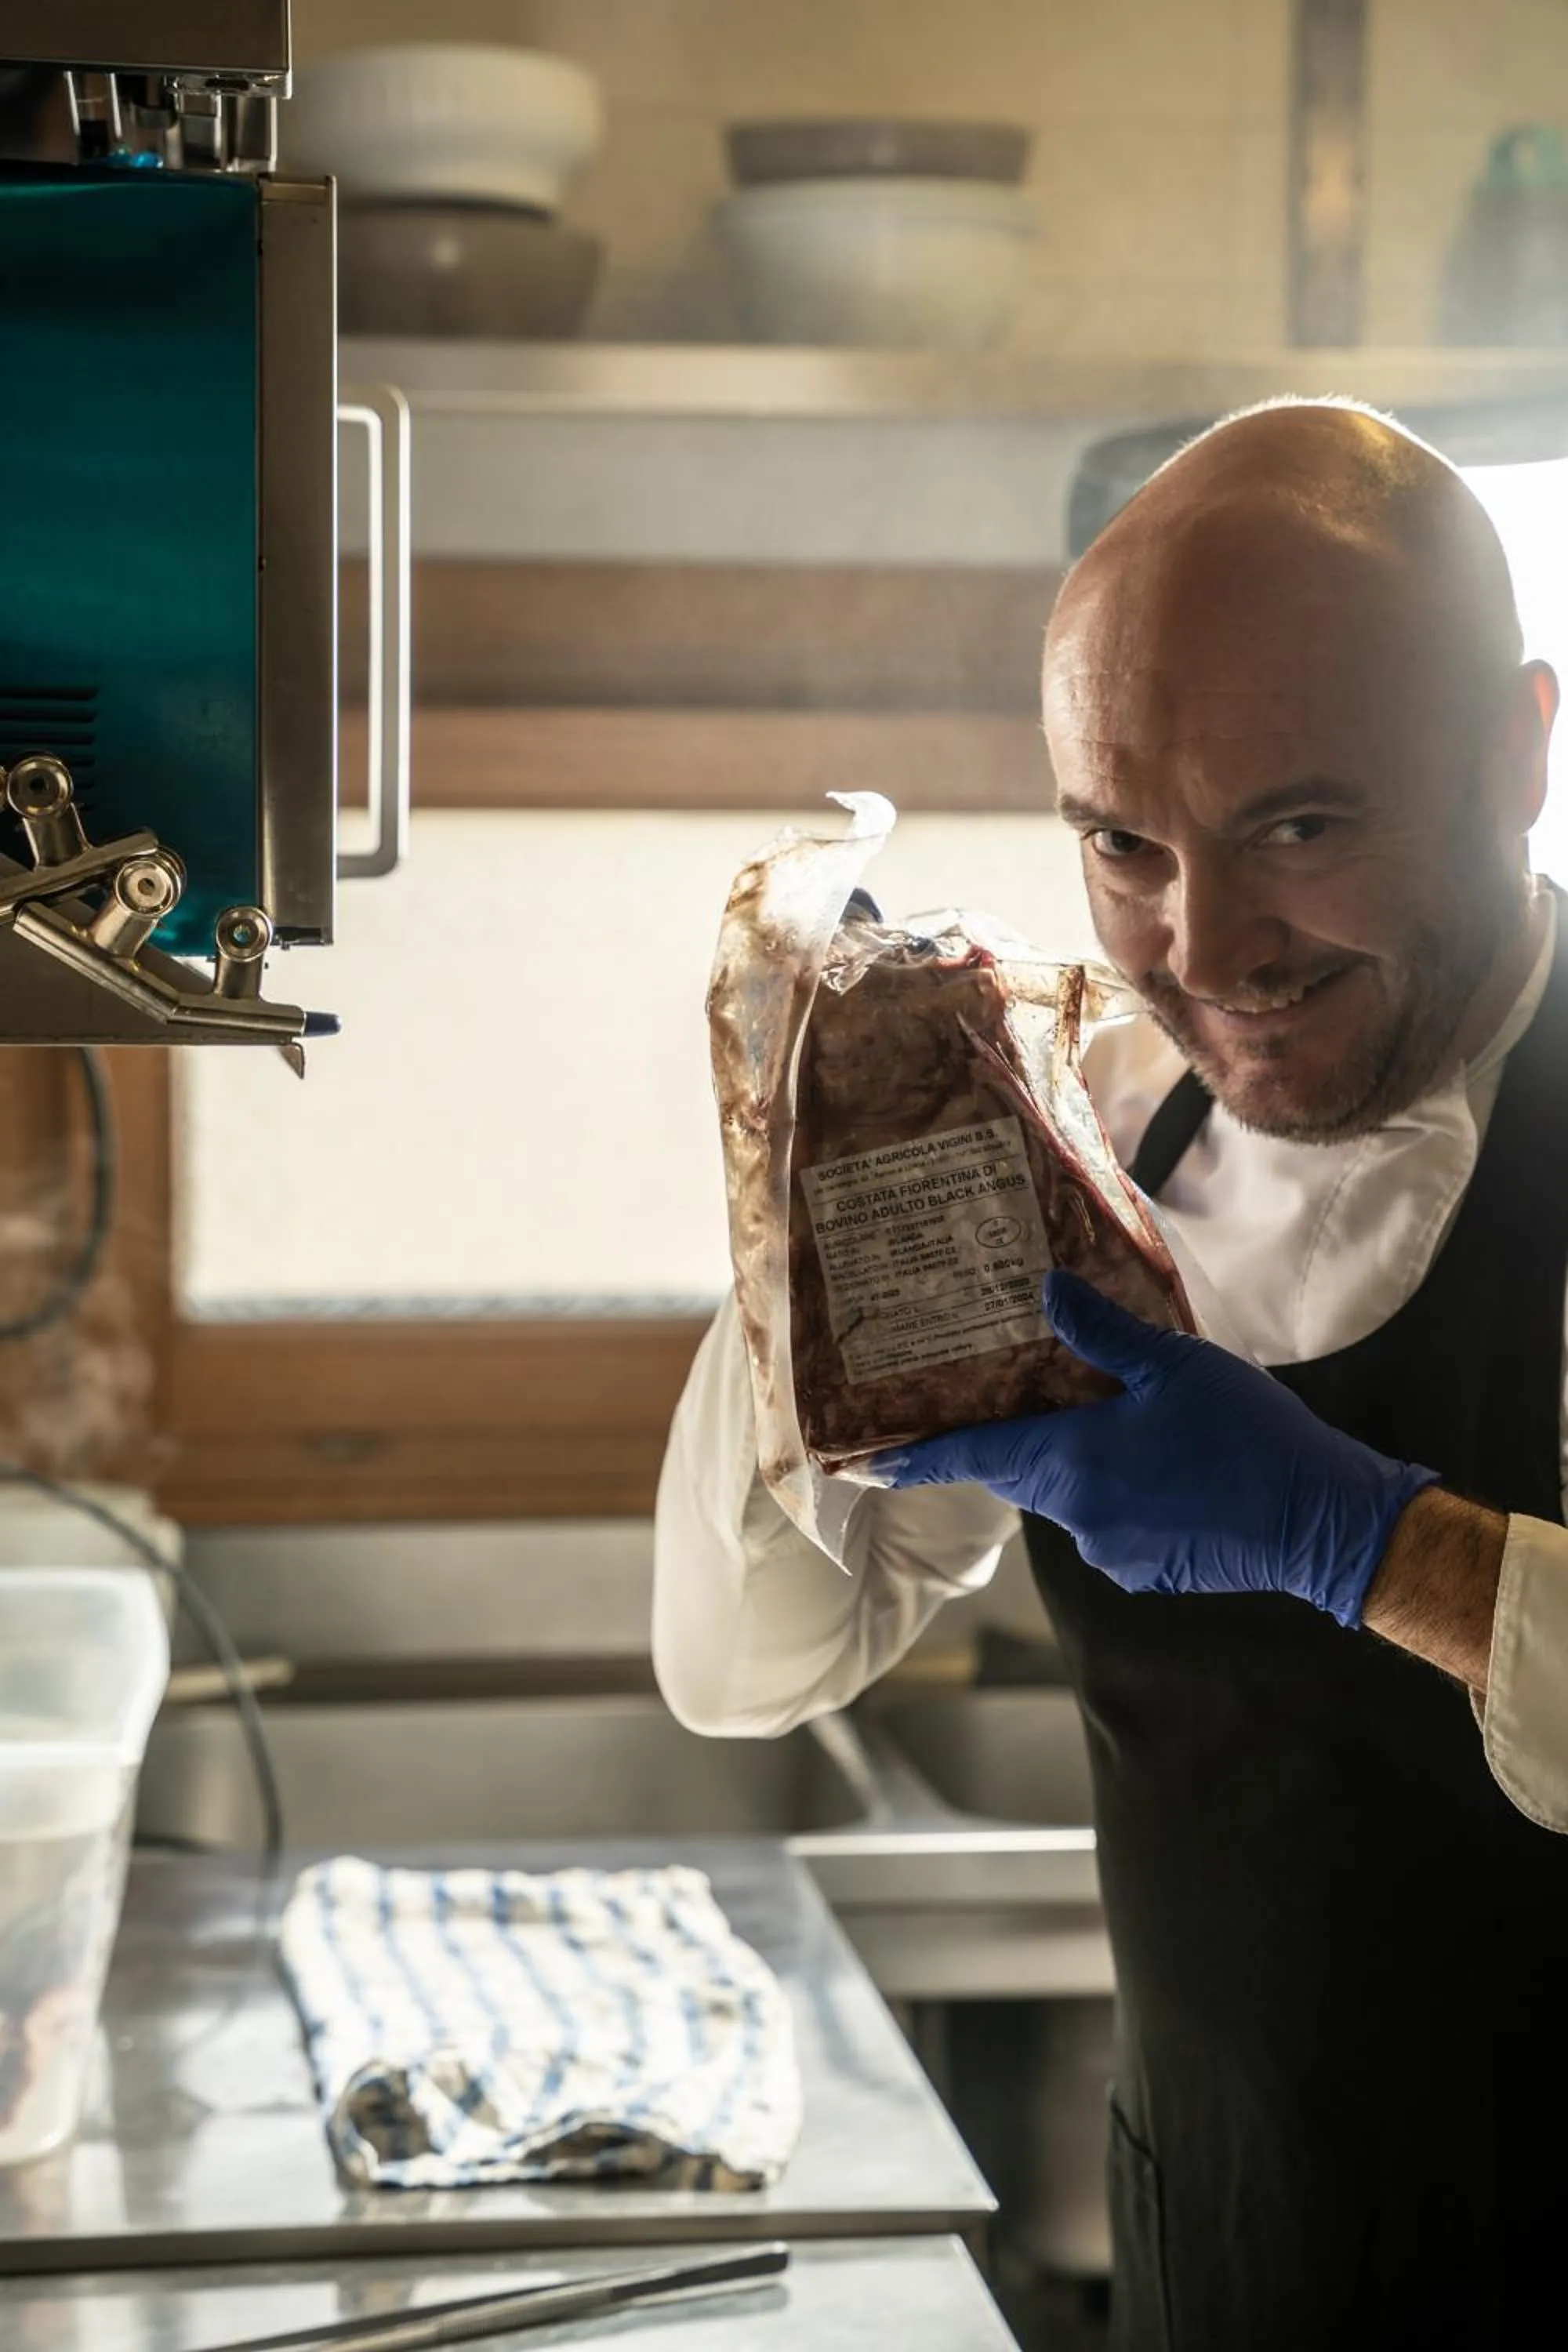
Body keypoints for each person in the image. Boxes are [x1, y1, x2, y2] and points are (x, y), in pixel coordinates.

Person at [652, 399, 1568, 2351]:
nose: (1205, 948)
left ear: (1516, 754)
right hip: (1227, 2255)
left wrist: (1359, 1542)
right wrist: (797, 1214)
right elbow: (756, 1672)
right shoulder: (1103, 1139)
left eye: (1299, 827)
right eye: (1121, 844)